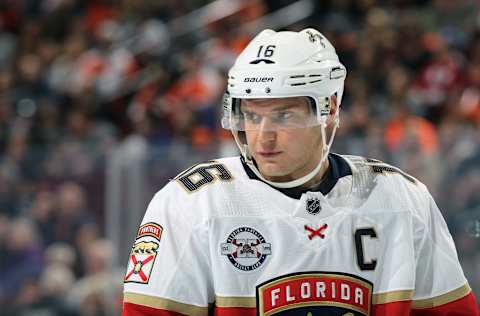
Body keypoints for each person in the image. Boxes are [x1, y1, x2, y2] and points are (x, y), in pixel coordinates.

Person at [122, 28, 479, 316]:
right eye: (252, 115)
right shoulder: (189, 203)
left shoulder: (403, 198)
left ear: (330, 107)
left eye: (284, 115)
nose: (263, 135)